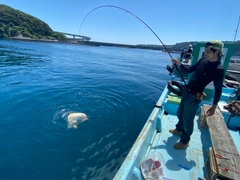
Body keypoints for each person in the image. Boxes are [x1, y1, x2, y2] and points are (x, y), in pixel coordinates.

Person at [169, 40, 225, 149]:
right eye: (206, 51)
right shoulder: (204, 59)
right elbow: (190, 69)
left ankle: (185, 141)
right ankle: (179, 130)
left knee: (187, 120)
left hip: (194, 97)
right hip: (186, 91)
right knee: (180, 113)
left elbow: (218, 90)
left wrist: (214, 106)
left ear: (217, 52)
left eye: (209, 51)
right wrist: (178, 63)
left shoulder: (218, 69)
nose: (206, 53)